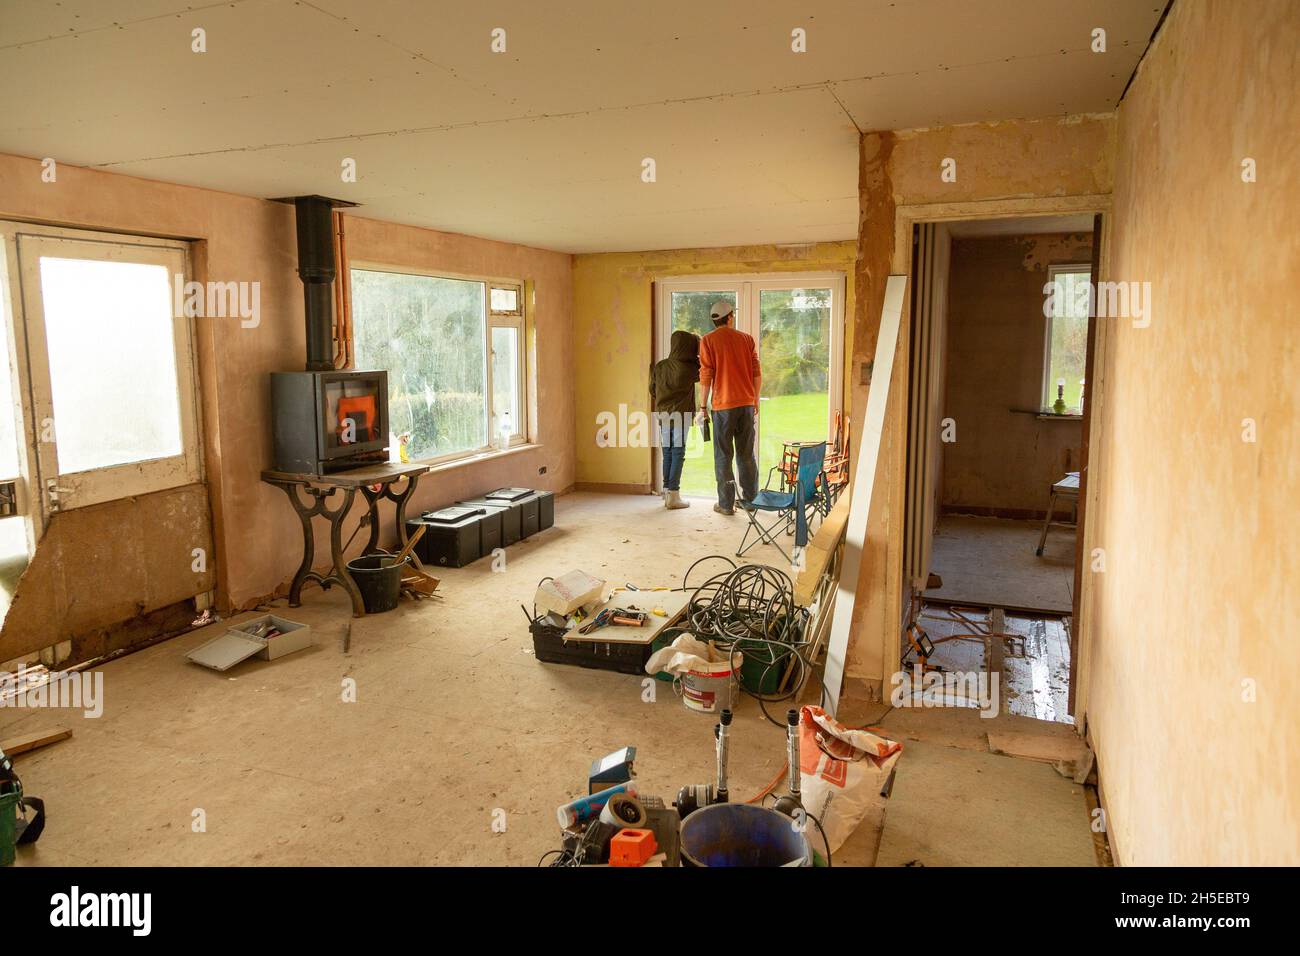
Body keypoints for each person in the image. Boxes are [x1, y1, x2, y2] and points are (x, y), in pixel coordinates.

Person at [696, 301, 760, 515]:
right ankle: (750, 500)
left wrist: (702, 406)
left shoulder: (707, 341)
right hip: (746, 405)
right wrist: (755, 400)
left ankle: (725, 505)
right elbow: (756, 373)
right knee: (746, 453)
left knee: (723, 455)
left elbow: (706, 376)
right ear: (730, 317)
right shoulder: (746, 339)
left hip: (723, 407)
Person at [649, 329, 700, 509]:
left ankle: (666, 492)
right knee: (678, 452)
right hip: (681, 415)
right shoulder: (691, 368)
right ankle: (674, 494)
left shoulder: (660, 366)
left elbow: (652, 390)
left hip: (663, 414)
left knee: (668, 452)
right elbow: (706, 373)